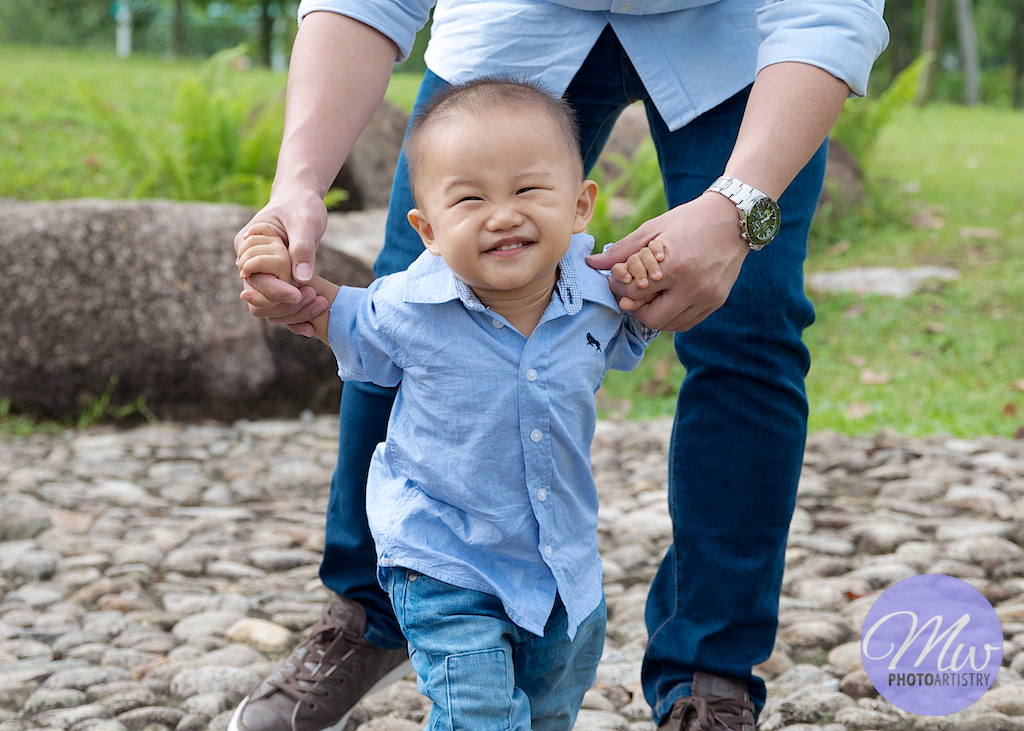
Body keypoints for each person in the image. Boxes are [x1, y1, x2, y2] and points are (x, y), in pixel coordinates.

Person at [231, 3, 889, 731]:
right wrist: (298, 184)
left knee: (749, 324)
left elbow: (829, 12)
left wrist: (739, 206)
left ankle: (711, 675)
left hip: (736, 31)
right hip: (514, 17)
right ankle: (373, 607)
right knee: (415, 293)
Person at [234, 76, 660, 731]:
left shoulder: (599, 298)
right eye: (470, 199)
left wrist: (652, 280)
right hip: (442, 559)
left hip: (559, 562)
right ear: (428, 229)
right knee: (480, 713)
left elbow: (640, 328)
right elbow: (325, 309)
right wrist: (278, 276)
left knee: (550, 705)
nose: (502, 214)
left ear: (580, 206)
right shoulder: (408, 305)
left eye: (527, 189)